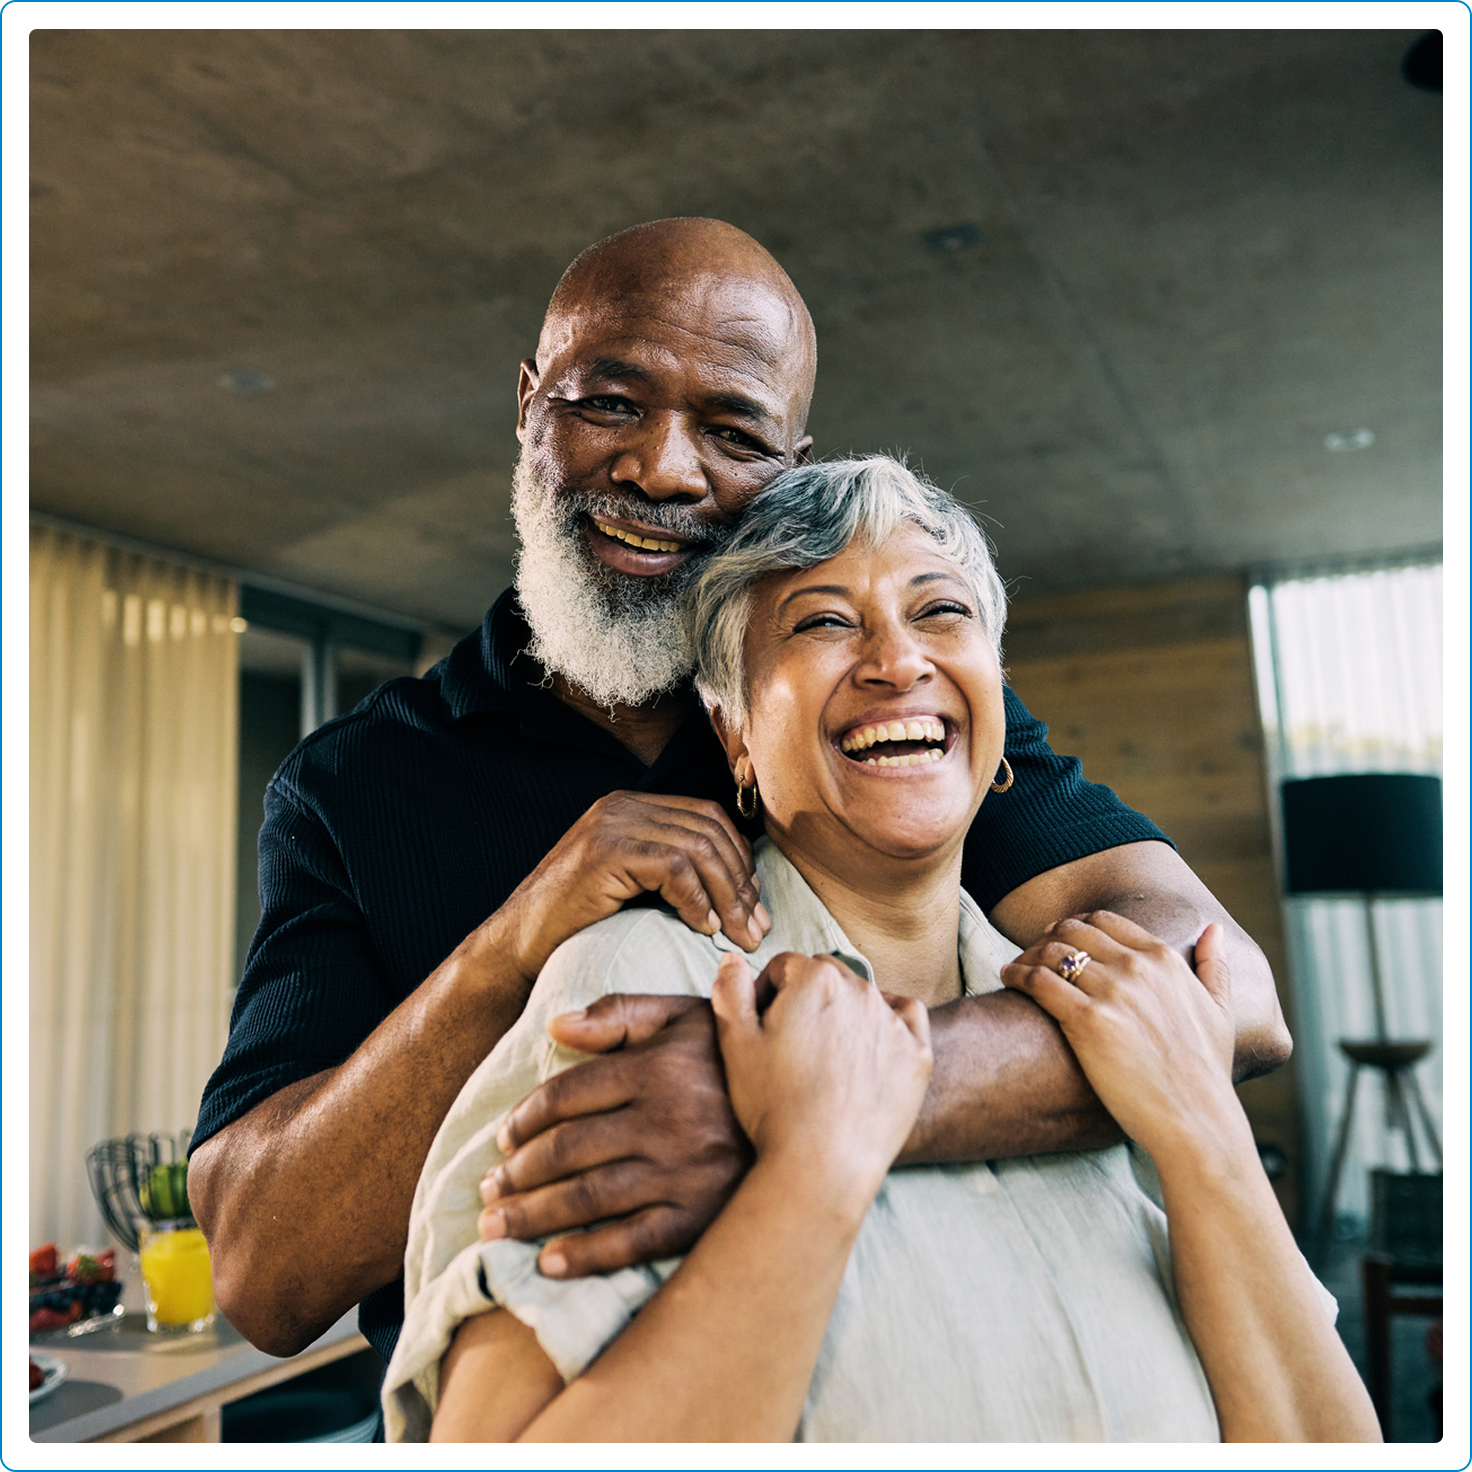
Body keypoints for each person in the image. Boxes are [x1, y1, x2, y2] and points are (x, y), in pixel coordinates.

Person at [187, 219, 1291, 1388]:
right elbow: (264, 1273)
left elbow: (1226, 992)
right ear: (527, 409)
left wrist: (785, 1106)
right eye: (609, 402)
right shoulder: (355, 781)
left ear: (790, 460)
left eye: (730, 431)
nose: (664, 468)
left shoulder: (879, 719)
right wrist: (511, 946)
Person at [383, 458, 1378, 1442]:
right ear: (731, 730)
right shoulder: (635, 988)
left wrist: (1201, 1128)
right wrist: (811, 1160)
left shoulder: (1107, 1012)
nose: (897, 661)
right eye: (821, 620)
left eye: (939, 612)